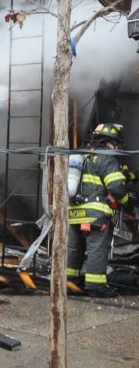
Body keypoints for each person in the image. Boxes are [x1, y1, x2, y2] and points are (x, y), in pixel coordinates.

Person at [68, 123, 130, 298]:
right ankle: (96, 286)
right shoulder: (106, 158)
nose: (116, 148)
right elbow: (117, 187)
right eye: (116, 144)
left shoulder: (82, 156)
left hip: (74, 213)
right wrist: (126, 200)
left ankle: (68, 282)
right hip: (95, 214)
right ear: (110, 143)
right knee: (97, 248)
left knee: (74, 248)